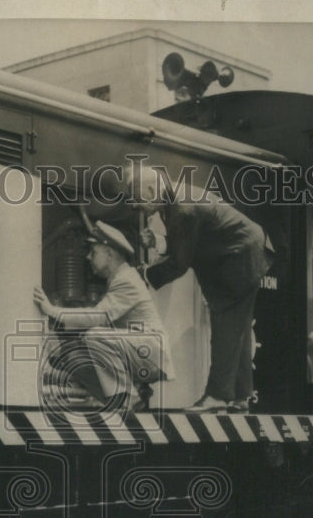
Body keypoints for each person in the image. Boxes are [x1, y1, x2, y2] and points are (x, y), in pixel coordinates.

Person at [125, 165, 274, 413]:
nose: (135, 207)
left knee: (225, 323)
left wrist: (143, 276)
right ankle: (241, 396)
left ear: (152, 189)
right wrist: (161, 243)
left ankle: (217, 396)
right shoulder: (175, 199)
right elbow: (190, 241)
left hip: (239, 258)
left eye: (137, 200)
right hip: (244, 253)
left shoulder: (182, 208)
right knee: (239, 328)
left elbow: (180, 263)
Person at [33, 220, 175, 412]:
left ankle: (127, 397)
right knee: (74, 358)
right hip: (140, 351)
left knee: (95, 336)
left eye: (94, 252)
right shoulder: (117, 279)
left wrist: (53, 311)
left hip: (151, 352)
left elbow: (98, 317)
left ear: (109, 254)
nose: (88, 257)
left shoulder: (126, 279)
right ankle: (132, 396)